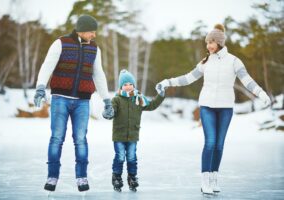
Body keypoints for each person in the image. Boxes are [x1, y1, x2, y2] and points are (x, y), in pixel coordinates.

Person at [156, 24, 271, 195]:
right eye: (207, 42)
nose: (209, 45)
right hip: (207, 106)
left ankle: (214, 177)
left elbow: (247, 80)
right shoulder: (205, 62)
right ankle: (205, 180)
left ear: (220, 42)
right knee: (210, 142)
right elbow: (188, 78)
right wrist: (168, 82)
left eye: (212, 42)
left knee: (219, 144)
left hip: (225, 108)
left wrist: (261, 93)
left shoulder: (234, 61)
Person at [33, 15, 114, 192]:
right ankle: (52, 177)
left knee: (80, 139)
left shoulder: (94, 48)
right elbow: (47, 65)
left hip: (83, 102)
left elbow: (98, 74)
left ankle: (82, 178)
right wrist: (40, 87)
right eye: (91, 31)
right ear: (82, 30)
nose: (94, 35)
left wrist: (107, 100)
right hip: (60, 99)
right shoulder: (61, 43)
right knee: (56, 138)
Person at [104, 69, 165, 192]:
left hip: (133, 135)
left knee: (132, 157)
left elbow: (151, 105)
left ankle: (132, 178)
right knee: (120, 157)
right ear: (121, 86)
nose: (128, 87)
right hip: (119, 135)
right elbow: (111, 111)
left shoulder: (138, 99)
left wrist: (161, 95)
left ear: (133, 85)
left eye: (130, 84)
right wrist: (108, 113)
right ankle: (116, 177)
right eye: (125, 84)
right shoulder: (116, 99)